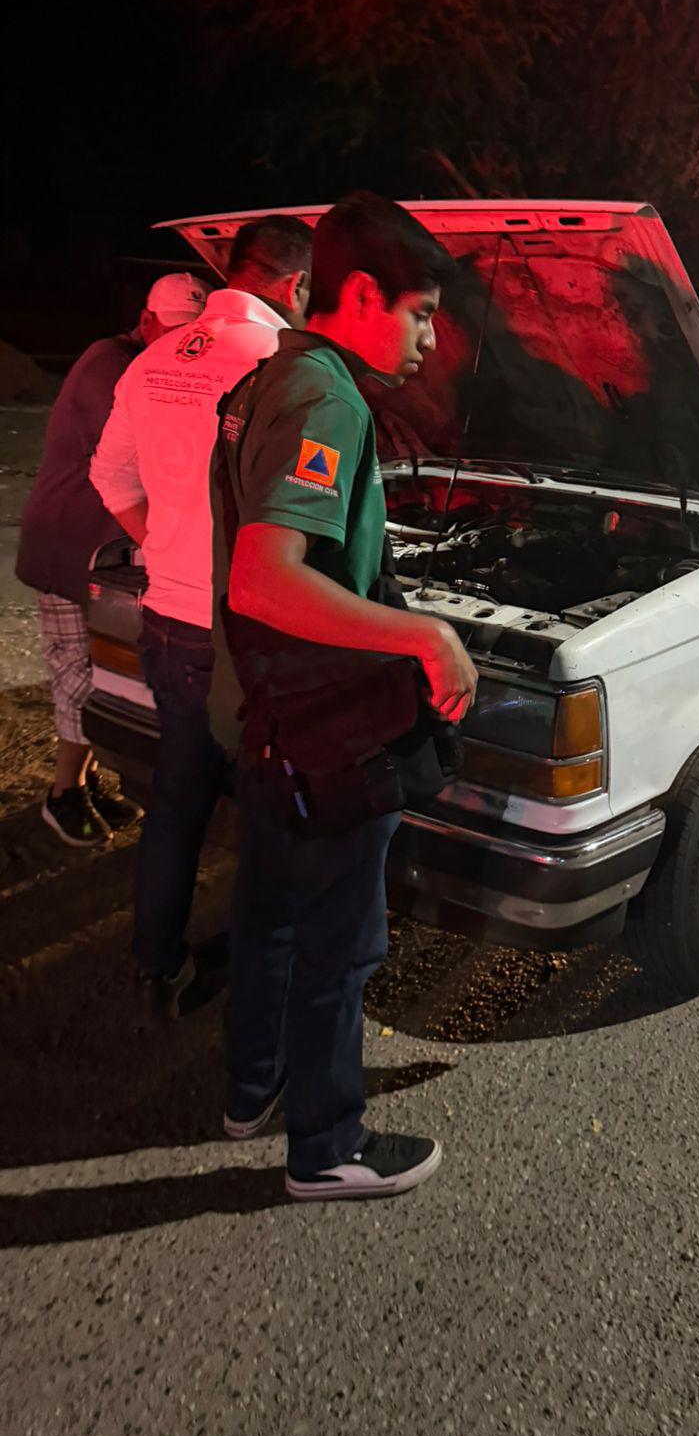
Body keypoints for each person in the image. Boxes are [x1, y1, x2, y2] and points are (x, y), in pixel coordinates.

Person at [214, 191, 477, 1202]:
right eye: (421, 314)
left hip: (272, 719)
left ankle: (253, 1090)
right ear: (362, 294)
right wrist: (427, 634)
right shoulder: (329, 399)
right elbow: (263, 578)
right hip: (326, 730)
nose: (429, 340)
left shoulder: (267, 377)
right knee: (339, 943)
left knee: (271, 917)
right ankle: (327, 1147)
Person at [90, 217, 313, 1015]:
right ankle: (264, 993)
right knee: (270, 819)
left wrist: (169, 547)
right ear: (295, 286)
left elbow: (109, 475)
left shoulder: (152, 360)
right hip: (245, 634)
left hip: (168, 624)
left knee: (177, 802)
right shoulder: (282, 363)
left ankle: (158, 969)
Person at [16, 273, 209, 848]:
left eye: (192, 334)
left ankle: (89, 778)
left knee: (106, 671)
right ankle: (63, 793)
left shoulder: (152, 366)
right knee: (77, 671)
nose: (183, 344)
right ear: (146, 321)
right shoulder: (108, 364)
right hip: (68, 546)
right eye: (174, 332)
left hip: (107, 554)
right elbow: (150, 448)